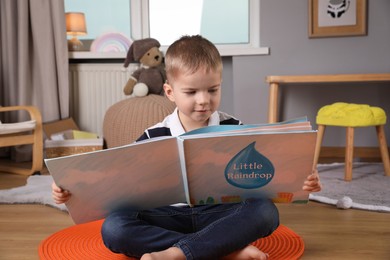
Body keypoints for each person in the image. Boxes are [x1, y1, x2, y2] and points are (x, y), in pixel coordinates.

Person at [52, 35, 322, 260]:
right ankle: (224, 251)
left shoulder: (236, 129)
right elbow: (118, 186)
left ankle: (177, 253)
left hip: (218, 213)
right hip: (167, 215)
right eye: (191, 92)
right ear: (170, 92)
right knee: (114, 228)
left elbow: (264, 178)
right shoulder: (152, 135)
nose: (204, 101)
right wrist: (71, 192)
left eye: (213, 90)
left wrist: (302, 180)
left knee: (265, 212)